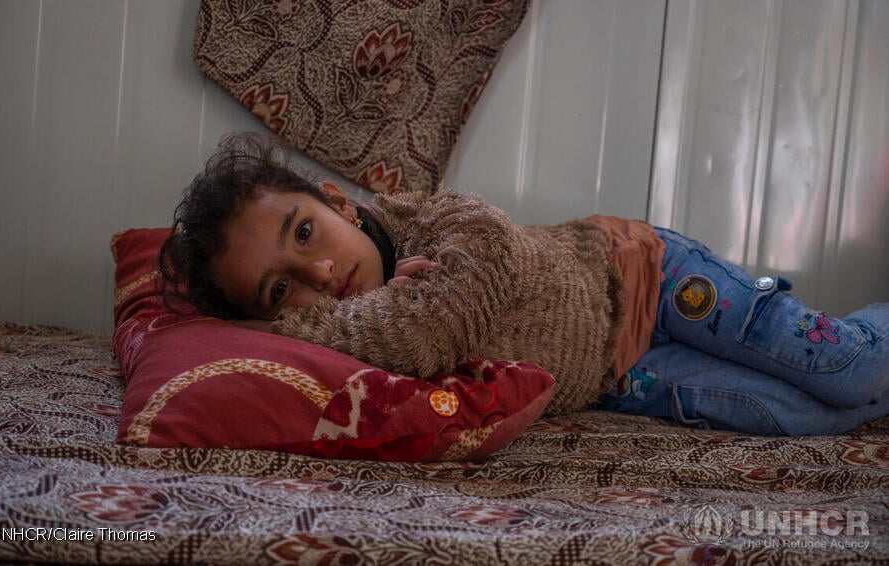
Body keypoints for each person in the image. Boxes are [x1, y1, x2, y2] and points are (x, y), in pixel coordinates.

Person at [160, 132, 889, 436]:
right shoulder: (359, 339)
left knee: (846, 369)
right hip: (622, 374)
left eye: (304, 233)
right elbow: (402, 340)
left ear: (337, 202)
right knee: (803, 416)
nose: (319, 273)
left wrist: (299, 319)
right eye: (280, 292)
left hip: (645, 274)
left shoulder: (440, 219)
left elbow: (433, 321)